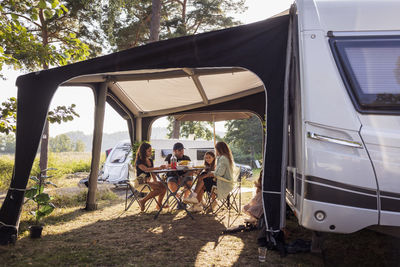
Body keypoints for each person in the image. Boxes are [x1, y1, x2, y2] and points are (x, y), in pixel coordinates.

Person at [135, 142, 167, 212]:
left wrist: (155, 180)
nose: (150, 153)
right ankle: (143, 201)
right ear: (144, 151)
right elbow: (146, 170)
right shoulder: (139, 161)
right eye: (149, 151)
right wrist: (159, 168)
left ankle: (159, 205)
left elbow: (152, 172)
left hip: (147, 182)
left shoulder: (150, 160)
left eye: (151, 151)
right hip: (140, 182)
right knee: (159, 189)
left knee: (164, 185)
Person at [165, 142, 198, 206]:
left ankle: (185, 200)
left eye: (183, 150)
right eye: (179, 150)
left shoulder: (186, 158)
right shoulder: (170, 157)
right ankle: (179, 198)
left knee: (190, 179)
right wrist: (177, 165)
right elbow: (166, 166)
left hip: (184, 177)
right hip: (173, 177)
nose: (182, 152)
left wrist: (184, 175)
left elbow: (191, 170)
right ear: (174, 151)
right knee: (170, 181)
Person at [206, 141, 235, 212]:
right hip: (225, 180)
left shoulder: (223, 158)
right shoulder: (226, 157)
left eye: (216, 149)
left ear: (219, 149)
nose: (216, 151)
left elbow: (220, 173)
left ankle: (199, 201)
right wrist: (212, 173)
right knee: (204, 179)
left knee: (204, 180)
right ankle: (202, 201)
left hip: (224, 183)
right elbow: (219, 172)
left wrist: (212, 173)